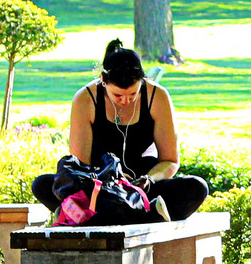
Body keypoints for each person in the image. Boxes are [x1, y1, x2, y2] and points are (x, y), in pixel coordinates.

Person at [30, 40, 210, 221]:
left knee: (196, 187)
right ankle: (147, 214)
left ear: (143, 80)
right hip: (99, 187)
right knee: (43, 185)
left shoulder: (158, 96)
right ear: (103, 81)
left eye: (133, 94)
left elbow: (170, 161)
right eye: (118, 95)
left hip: (143, 188)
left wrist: (148, 179)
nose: (126, 101)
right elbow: (80, 165)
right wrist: (111, 180)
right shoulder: (85, 99)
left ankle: (94, 216)